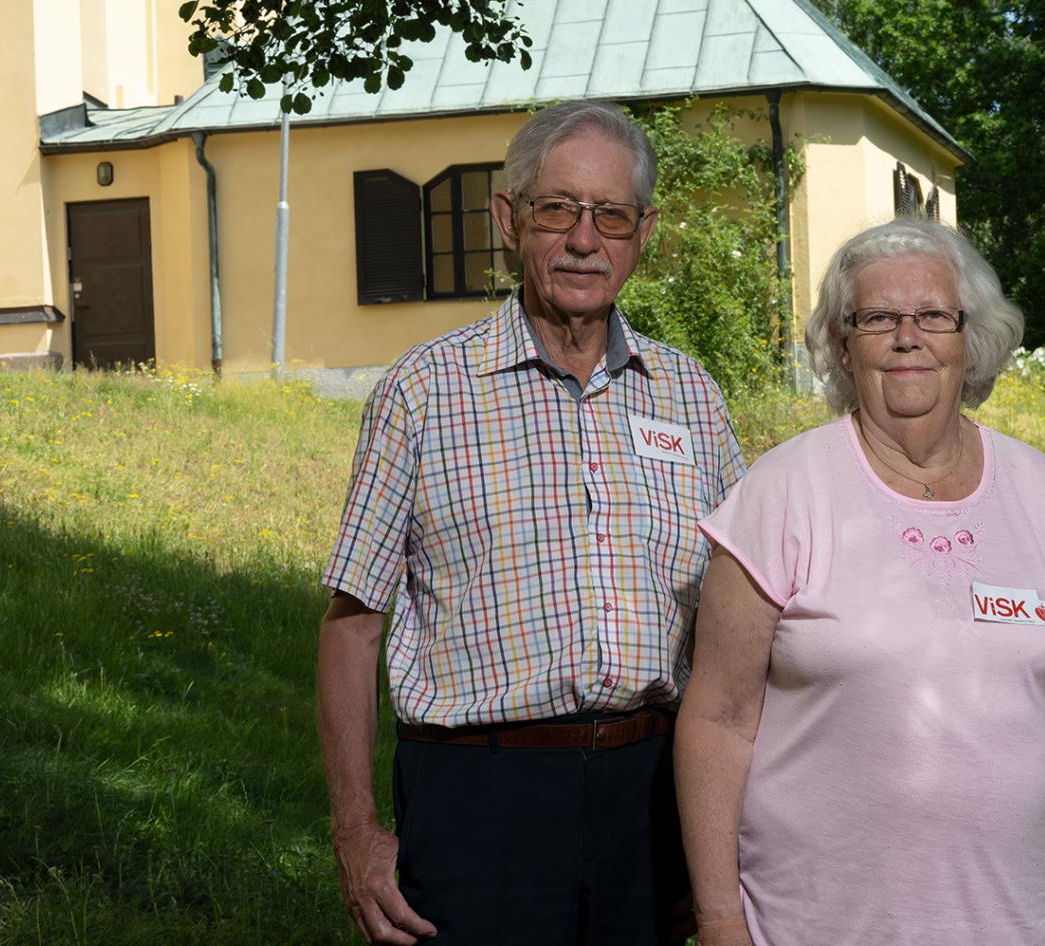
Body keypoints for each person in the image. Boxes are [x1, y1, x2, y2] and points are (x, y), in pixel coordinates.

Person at [318, 100, 744, 946]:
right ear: (508, 219)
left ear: (643, 231)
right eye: (558, 209)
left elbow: (743, 620)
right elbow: (353, 626)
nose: (585, 240)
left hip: (653, 794)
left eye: (611, 215)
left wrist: (728, 828)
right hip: (480, 798)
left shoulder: (690, 394)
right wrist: (356, 833)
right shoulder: (425, 392)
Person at [675, 217, 1045, 946]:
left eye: (933, 315)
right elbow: (718, 720)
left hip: (1027, 926)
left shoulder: (1044, 494)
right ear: (841, 342)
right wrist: (717, 921)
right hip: (820, 927)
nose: (908, 336)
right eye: (877, 318)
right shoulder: (783, 494)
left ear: (971, 337)